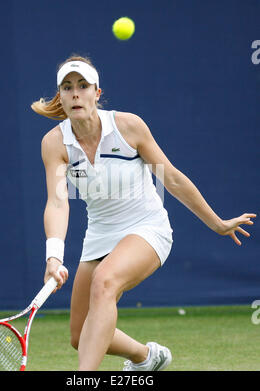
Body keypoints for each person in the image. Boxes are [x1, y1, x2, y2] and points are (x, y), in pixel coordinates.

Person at [31, 55, 256, 371]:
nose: (75, 93)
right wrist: (53, 255)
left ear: (97, 93)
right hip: (99, 235)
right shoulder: (54, 143)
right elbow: (58, 202)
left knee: (105, 282)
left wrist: (217, 223)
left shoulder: (128, 127)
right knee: (80, 335)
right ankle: (147, 357)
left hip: (146, 227)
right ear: (61, 97)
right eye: (67, 87)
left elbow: (172, 178)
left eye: (83, 86)